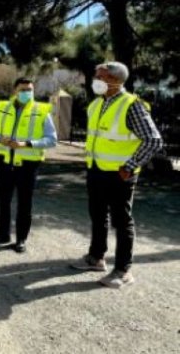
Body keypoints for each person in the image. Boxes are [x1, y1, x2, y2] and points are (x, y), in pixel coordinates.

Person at [71, 62, 163, 288]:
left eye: (99, 76)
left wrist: (129, 166)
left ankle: (123, 270)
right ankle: (96, 257)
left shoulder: (132, 105)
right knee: (98, 215)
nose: (95, 79)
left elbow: (153, 140)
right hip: (96, 169)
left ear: (115, 80)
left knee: (122, 221)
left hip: (120, 174)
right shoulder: (96, 104)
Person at [0, 77, 57, 253]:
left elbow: (52, 139)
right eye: (23, 89)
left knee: (25, 204)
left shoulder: (41, 111)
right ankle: (3, 235)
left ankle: (21, 240)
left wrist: (27, 144)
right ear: (15, 91)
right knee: (4, 201)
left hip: (28, 164)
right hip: (4, 161)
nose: (27, 93)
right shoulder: (2, 109)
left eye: (30, 90)